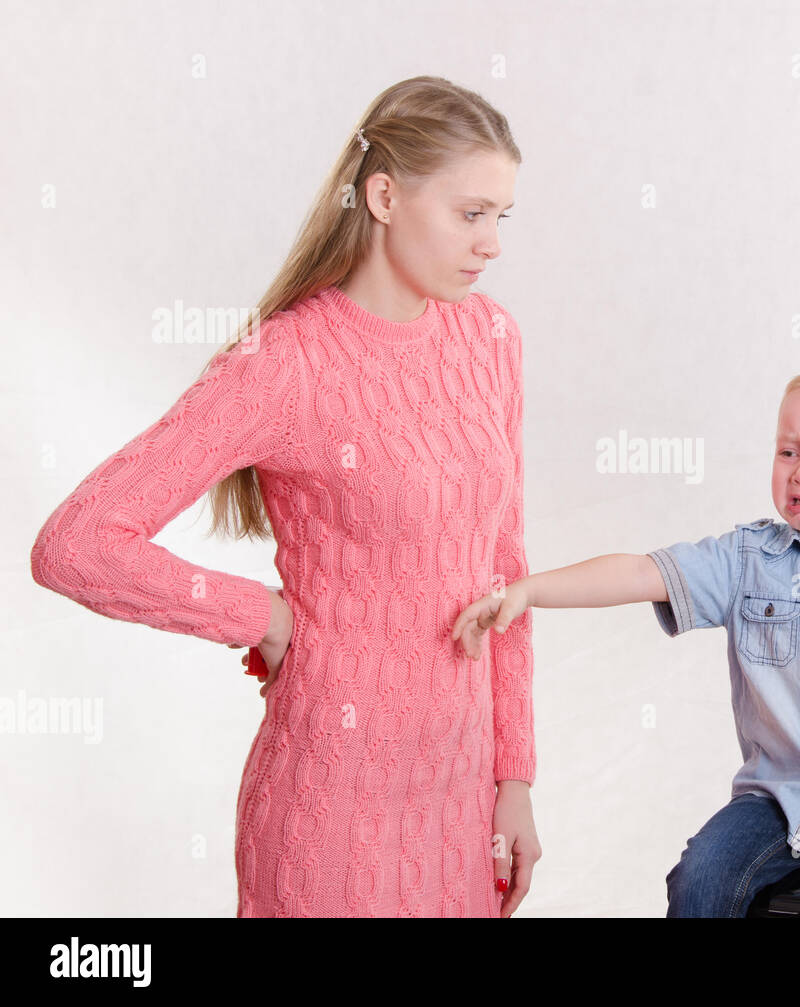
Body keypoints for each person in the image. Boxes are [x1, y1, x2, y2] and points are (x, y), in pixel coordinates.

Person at [29, 76, 541, 918]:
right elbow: (77, 543)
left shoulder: (489, 341)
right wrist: (261, 616)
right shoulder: (286, 363)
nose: (491, 244)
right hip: (332, 810)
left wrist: (514, 777)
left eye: (502, 217)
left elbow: (506, 570)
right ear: (383, 196)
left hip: (459, 807)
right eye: (470, 213)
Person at [453, 360, 800, 917]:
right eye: (788, 451)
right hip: (777, 800)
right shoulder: (745, 560)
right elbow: (643, 573)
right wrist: (528, 590)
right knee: (700, 879)